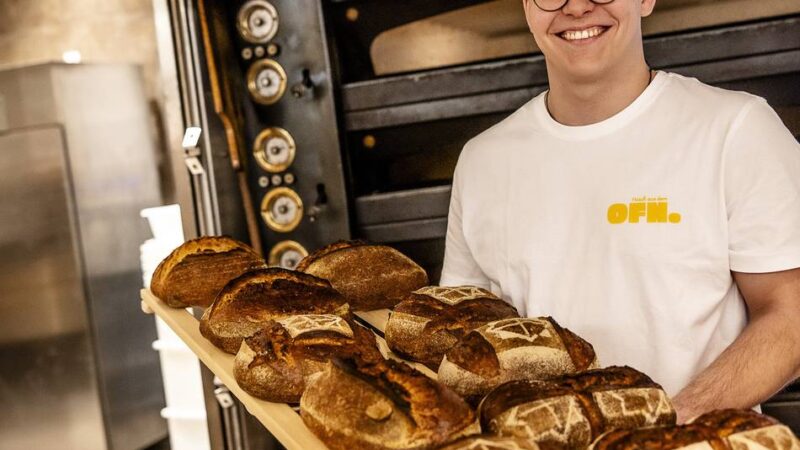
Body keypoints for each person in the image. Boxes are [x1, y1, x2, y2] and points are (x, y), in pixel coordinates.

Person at [440, 0, 800, 423]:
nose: (576, 8)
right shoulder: (483, 162)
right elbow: (461, 342)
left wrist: (669, 423)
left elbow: (790, 315)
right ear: (526, 8)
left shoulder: (734, 128)